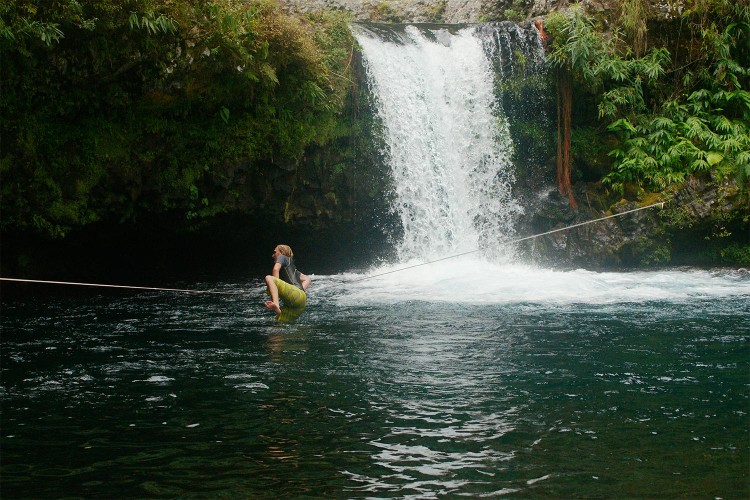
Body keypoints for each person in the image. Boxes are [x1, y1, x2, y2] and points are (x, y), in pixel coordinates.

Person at [264, 244, 311, 322]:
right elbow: (307, 279)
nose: (273, 255)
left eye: (275, 252)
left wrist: (276, 288)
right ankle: (277, 308)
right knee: (279, 322)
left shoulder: (282, 257)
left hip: (295, 295)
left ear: (281, 252)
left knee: (269, 278)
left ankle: (276, 304)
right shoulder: (294, 270)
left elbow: (275, 269)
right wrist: (300, 292)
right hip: (301, 302)